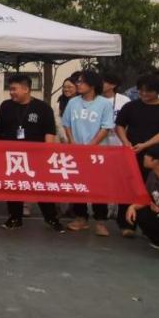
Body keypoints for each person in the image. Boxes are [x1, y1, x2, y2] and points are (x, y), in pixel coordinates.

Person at [0, 73, 63, 232]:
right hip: (11, 157)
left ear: (26, 89)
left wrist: (47, 155)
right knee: (13, 187)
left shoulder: (43, 108)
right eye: (10, 89)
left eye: (14, 89)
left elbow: (49, 133)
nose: (11, 92)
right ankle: (15, 218)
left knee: (41, 188)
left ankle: (51, 219)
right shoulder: (6, 106)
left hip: (36, 157)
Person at [115, 74, 159, 236]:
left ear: (158, 91)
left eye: (148, 91)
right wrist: (125, 141)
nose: (143, 94)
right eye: (141, 90)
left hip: (155, 157)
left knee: (153, 190)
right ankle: (126, 224)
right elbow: (119, 125)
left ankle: (152, 225)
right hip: (131, 154)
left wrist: (146, 145)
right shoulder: (131, 106)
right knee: (128, 188)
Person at [62, 69, 115, 235]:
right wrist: (72, 141)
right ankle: (81, 217)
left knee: (98, 187)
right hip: (76, 152)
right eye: (78, 81)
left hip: (97, 153)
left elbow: (106, 127)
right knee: (78, 186)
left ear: (92, 85)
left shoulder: (104, 104)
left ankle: (100, 221)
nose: (78, 84)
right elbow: (67, 124)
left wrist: (92, 145)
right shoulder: (73, 102)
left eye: (81, 82)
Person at [101, 71, 131, 146]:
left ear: (113, 85)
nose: (100, 85)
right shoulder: (96, 100)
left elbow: (130, 121)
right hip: (101, 142)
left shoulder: (124, 100)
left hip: (119, 141)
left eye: (103, 83)